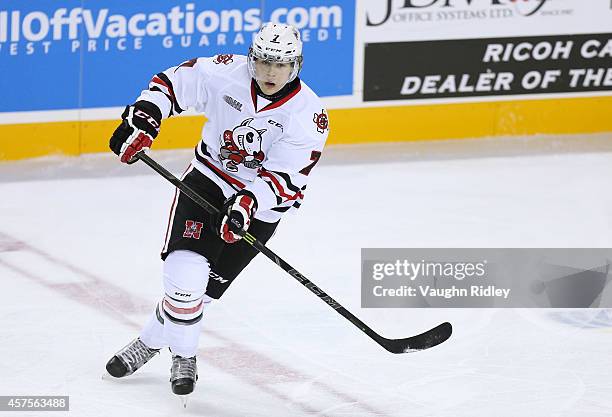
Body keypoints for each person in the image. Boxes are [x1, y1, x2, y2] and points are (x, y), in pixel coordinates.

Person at [104, 22, 329, 397]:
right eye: (264, 62)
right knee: (184, 280)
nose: (271, 73)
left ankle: (150, 340)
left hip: (262, 203)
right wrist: (145, 118)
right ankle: (184, 355)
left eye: (282, 64)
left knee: (200, 295)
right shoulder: (226, 71)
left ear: (297, 65)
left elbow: (287, 177)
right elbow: (171, 84)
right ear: (252, 58)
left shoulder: (309, 114)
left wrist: (247, 205)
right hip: (209, 177)